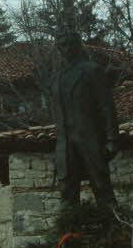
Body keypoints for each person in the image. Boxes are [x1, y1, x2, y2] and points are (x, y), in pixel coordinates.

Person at [49, 30, 124, 210]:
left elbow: (106, 107)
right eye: (63, 44)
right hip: (65, 143)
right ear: (58, 48)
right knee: (67, 193)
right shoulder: (55, 79)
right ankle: (68, 235)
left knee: (102, 188)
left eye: (70, 43)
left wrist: (112, 139)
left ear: (78, 45)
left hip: (91, 139)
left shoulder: (92, 70)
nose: (67, 48)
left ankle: (115, 232)